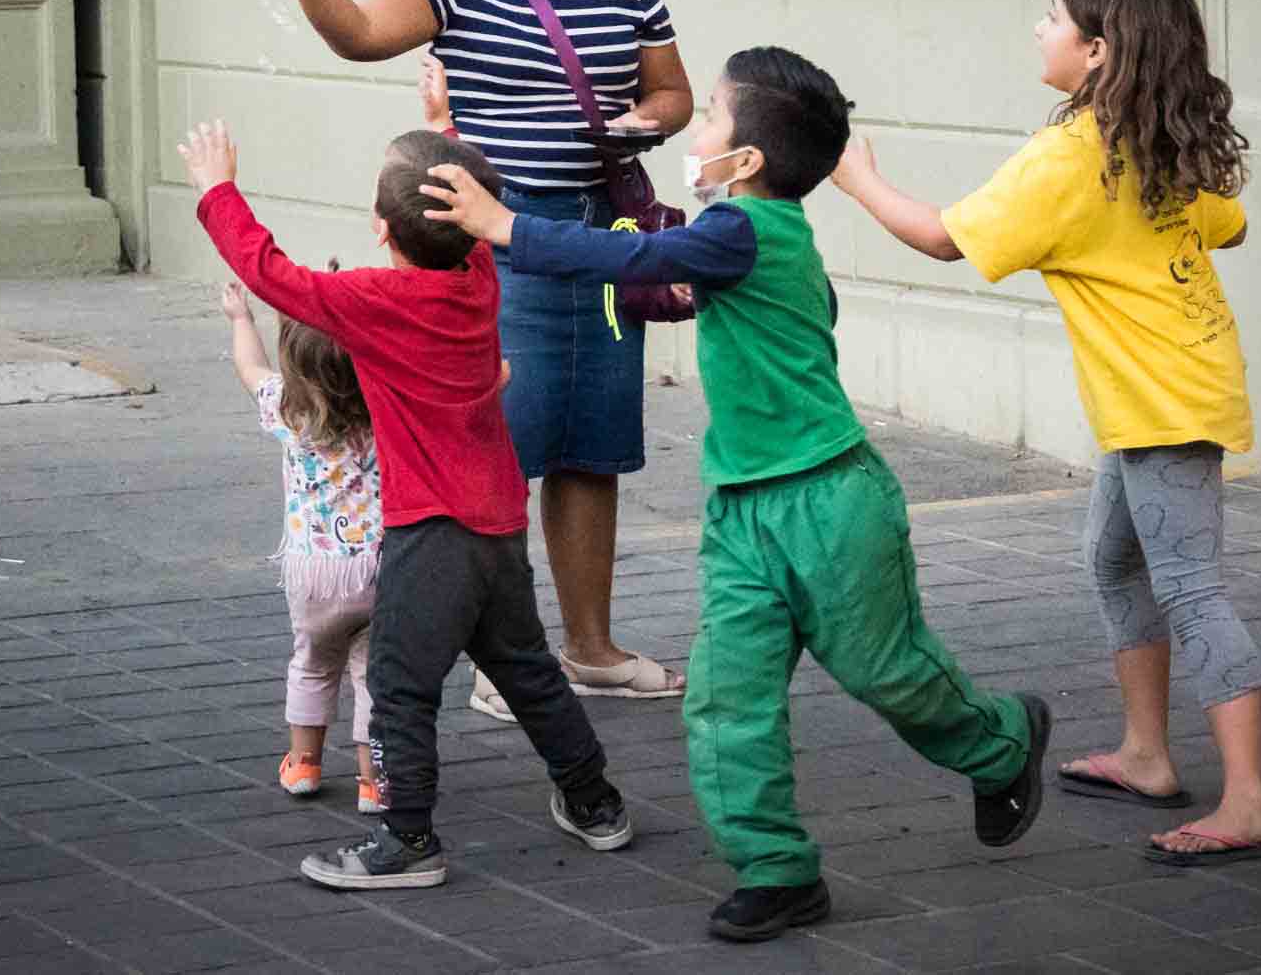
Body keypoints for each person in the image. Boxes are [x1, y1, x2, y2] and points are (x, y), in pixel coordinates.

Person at [420, 46, 1051, 941]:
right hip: (744, 513)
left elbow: (613, 254)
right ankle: (779, 869)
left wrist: (504, 223)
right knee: (726, 698)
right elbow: (752, 290)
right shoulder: (751, 238)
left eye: (708, 115)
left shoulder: (743, 231)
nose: (696, 129)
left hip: (831, 501)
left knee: (887, 670)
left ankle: (1002, 743)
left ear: (747, 160)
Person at [831, 0, 1261, 868]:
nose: (1039, 29)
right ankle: (1146, 753)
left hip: (1164, 401)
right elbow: (1229, 223)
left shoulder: (1069, 158)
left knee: (1191, 588)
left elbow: (941, 237)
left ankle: (1253, 800)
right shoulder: (1144, 142)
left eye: (1052, 17)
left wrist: (856, 179)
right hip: (1161, 389)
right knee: (1111, 559)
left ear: (1097, 50)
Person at [276, 0, 695, 719]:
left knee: (592, 450)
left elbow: (673, 91)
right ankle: (507, 661)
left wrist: (646, 121)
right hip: (492, 243)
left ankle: (588, 647)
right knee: (498, 450)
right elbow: (355, 32)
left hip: (599, 247)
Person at [179, 119, 633, 890]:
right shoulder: (481, 277)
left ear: (380, 229)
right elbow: (464, 206)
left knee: (397, 683)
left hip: (431, 535)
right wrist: (446, 117)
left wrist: (217, 189)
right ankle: (594, 801)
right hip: (497, 524)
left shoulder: (375, 301)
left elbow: (270, 273)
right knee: (527, 671)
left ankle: (408, 838)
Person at [218, 277, 388, 813]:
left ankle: (304, 765)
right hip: (376, 569)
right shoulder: (382, 405)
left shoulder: (285, 409)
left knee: (312, 662)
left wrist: (241, 319)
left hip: (311, 572)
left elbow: (249, 369)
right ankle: (373, 781)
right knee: (372, 675)